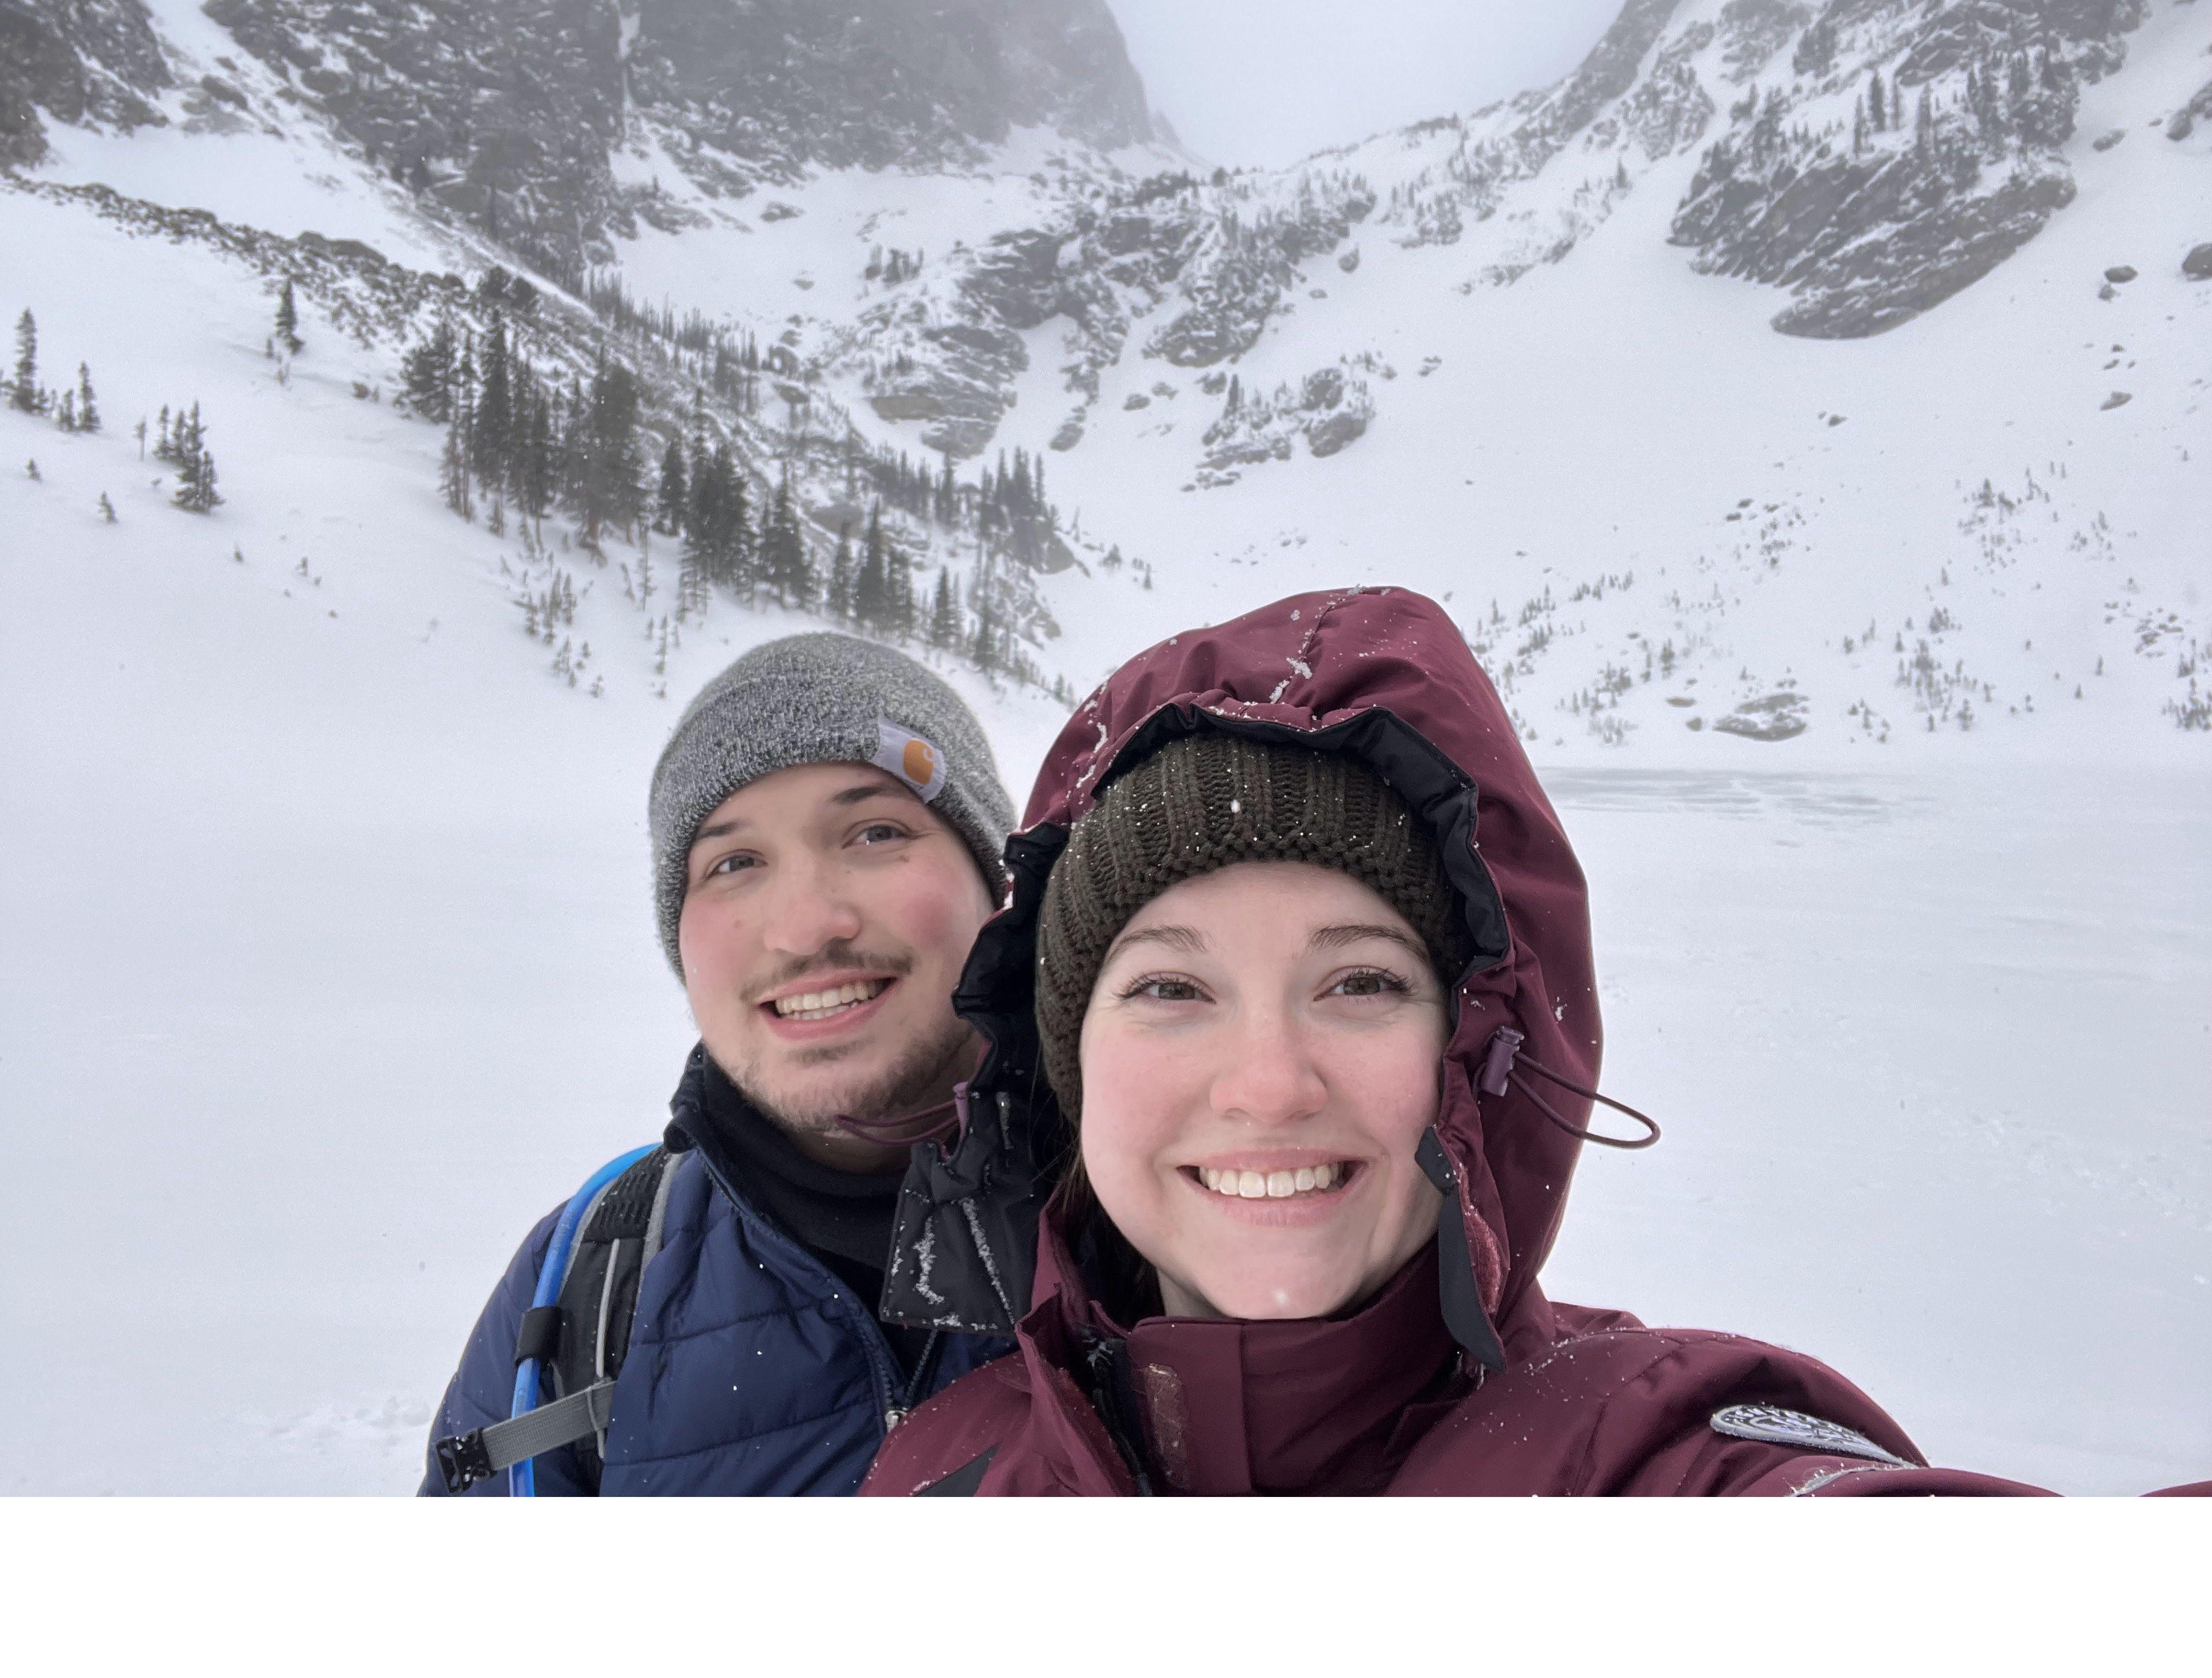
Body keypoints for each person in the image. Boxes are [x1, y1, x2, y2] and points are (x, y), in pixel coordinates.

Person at [864, 585, 2186, 1496]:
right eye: (1169, 991)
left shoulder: (1640, 1454)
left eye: (1365, 984)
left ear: (1470, 1056)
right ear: (1066, 1064)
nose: (1268, 1082)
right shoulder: (940, 1473)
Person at [421, 633, 1017, 1495]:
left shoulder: (1174, 1222)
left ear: (995, 887)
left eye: (875, 832)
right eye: (734, 862)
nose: (806, 925)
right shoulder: (593, 1272)